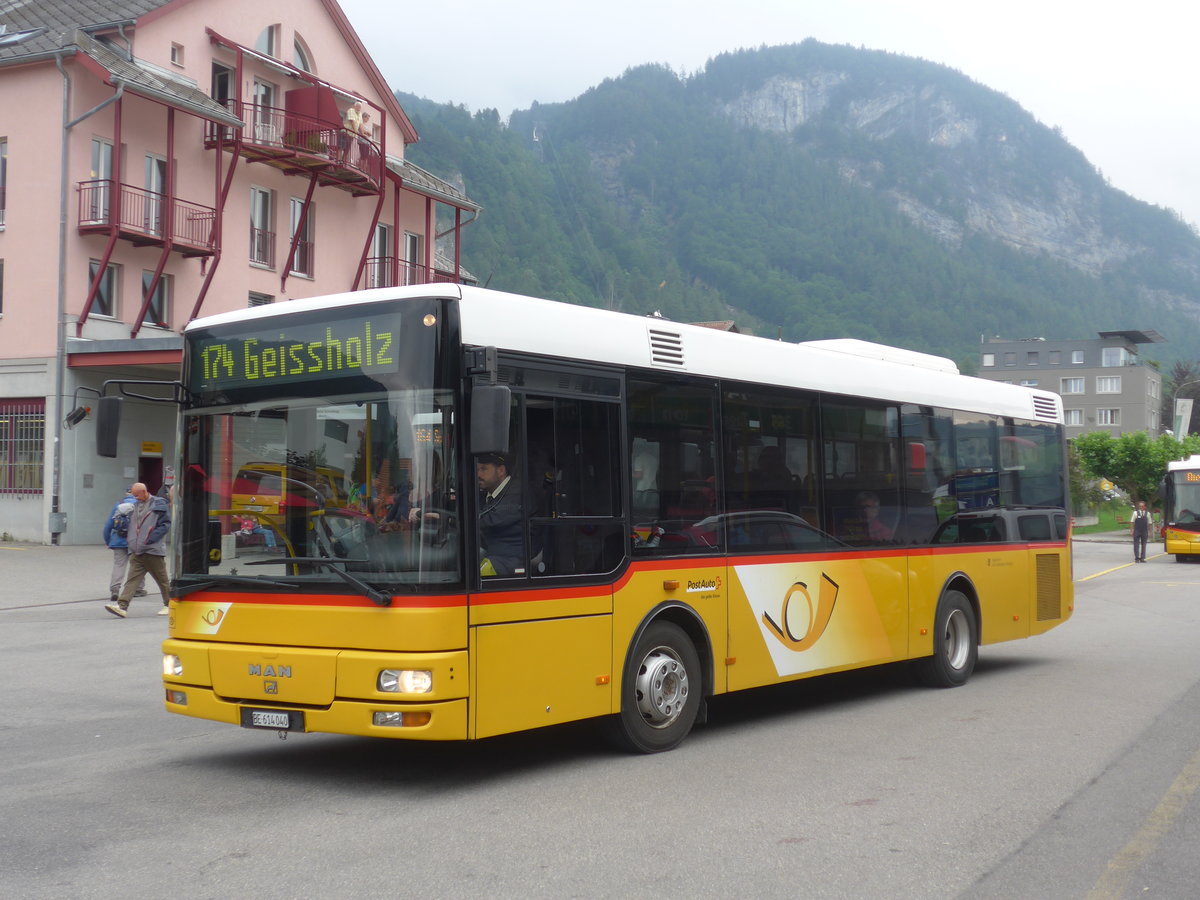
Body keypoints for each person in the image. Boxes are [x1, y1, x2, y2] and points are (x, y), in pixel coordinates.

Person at [105, 482, 172, 618]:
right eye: (133, 495)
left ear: (144, 491)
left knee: (162, 580)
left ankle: (170, 604)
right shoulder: (133, 506)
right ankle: (122, 606)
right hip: (136, 550)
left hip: (152, 550)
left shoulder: (159, 504)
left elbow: (165, 525)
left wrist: (150, 539)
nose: (135, 498)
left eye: (136, 495)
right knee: (132, 580)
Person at [476, 452, 523, 576]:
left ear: (501, 471)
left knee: (479, 573)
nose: (478, 474)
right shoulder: (487, 492)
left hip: (513, 558)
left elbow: (490, 520)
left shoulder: (517, 493)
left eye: (484, 469)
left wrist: (449, 519)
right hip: (493, 551)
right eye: (477, 469)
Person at [101, 487, 146, 604]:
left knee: (119, 565)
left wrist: (108, 540)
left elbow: (108, 525)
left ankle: (115, 589)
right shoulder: (141, 505)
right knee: (138, 565)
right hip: (135, 541)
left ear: (126, 493)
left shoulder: (119, 504)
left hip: (118, 540)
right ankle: (138, 589)